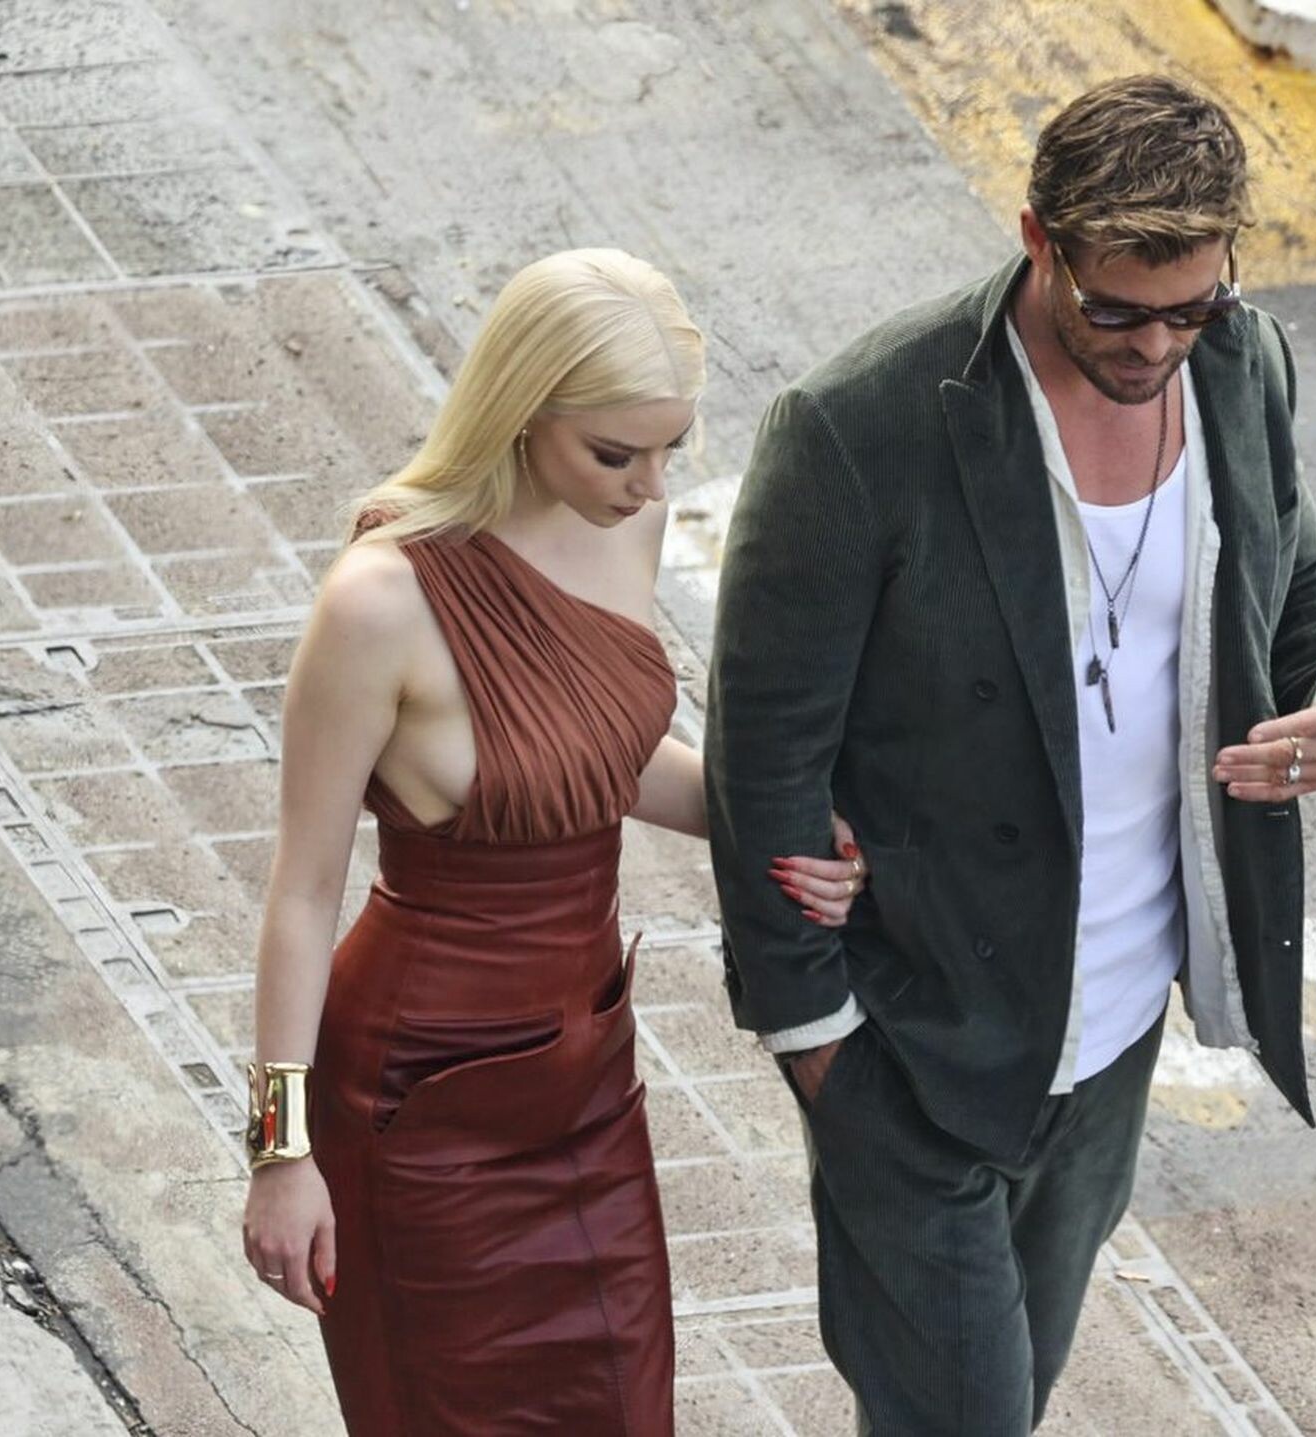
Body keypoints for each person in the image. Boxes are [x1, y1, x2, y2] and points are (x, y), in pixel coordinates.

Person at [705, 75, 1316, 1433]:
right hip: (913, 1042)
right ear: (1038, 237)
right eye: (1119, 311)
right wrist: (817, 1046)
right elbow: (764, 757)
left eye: (1193, 306)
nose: (1159, 345)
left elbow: (1296, 576)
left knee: (1009, 1400)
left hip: (1114, 1032)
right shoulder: (861, 429)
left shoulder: (1242, 363)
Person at [239, 248, 870, 1436]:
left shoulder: (625, 527)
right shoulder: (378, 602)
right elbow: (301, 892)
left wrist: (793, 832)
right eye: (616, 453)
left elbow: (600, 762)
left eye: (671, 448)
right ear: (523, 411)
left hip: (586, 1090)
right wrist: (281, 1153)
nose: (650, 485)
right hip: (419, 1108)